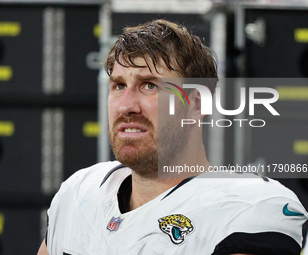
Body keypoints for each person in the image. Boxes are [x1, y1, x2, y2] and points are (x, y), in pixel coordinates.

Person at [38, 19, 307, 255]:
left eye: (149, 85)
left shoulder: (247, 208)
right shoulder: (79, 194)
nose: (126, 105)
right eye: (119, 86)